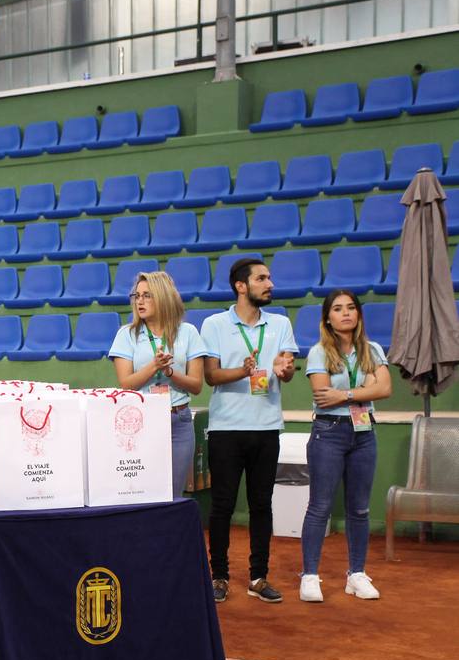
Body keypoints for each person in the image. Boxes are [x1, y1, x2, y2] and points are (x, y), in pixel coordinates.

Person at [200, 258, 298, 604]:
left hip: (267, 427)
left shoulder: (281, 324)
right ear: (241, 286)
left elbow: (286, 371)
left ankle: (258, 577)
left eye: (269, 277)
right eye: (262, 278)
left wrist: (285, 370)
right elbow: (210, 376)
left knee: (261, 504)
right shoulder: (213, 324)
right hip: (226, 428)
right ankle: (219, 576)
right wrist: (243, 371)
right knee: (222, 506)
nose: (269, 284)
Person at [299, 291, 392, 602]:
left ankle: (357, 574)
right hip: (329, 432)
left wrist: (347, 395)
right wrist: (364, 389)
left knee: (360, 509)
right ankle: (310, 575)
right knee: (320, 507)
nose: (346, 313)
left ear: (359, 314)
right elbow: (323, 394)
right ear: (328, 318)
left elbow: (386, 388)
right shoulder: (318, 352)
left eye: (351, 308)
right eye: (338, 309)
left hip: (364, 433)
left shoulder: (373, 349)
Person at [108, 270, 210, 500]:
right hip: (142, 421)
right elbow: (126, 384)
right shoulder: (127, 334)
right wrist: (153, 366)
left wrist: (170, 372)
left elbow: (196, 385)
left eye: (147, 295)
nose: (140, 301)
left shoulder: (188, 332)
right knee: (144, 492)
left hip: (179, 421)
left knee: (173, 493)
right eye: (137, 295)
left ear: (163, 297)